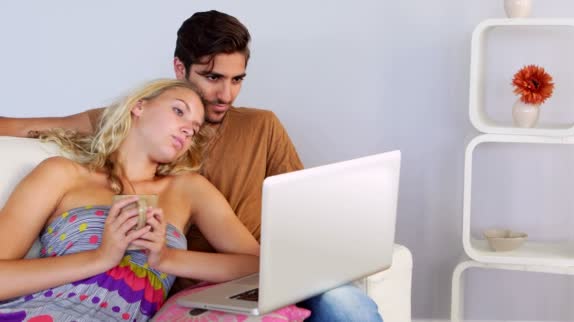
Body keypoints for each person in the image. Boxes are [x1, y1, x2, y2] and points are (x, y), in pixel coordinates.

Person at [0, 10, 383, 322]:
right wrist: (106, 255)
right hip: (158, 297)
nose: (226, 95)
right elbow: (21, 126)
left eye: (237, 80)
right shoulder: (84, 150)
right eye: (212, 78)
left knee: (344, 303)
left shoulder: (241, 142)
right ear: (174, 73)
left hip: (236, 283)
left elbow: (295, 216)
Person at [0, 79, 260, 321]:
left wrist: (168, 259)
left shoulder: (189, 189)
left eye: (194, 128)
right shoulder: (62, 174)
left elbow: (258, 266)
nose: (187, 129)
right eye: (179, 111)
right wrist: (101, 257)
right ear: (139, 106)